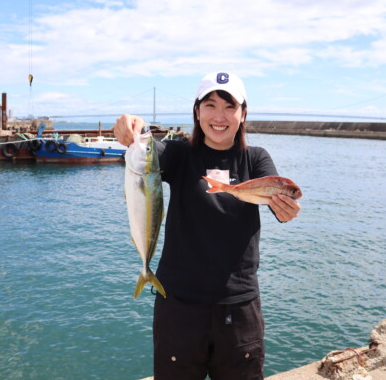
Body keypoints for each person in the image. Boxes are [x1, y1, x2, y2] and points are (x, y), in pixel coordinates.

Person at [114, 71, 301, 380]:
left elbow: (277, 200)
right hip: (178, 306)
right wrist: (135, 128)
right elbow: (148, 152)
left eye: (230, 107)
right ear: (197, 112)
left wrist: (286, 209)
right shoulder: (178, 154)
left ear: (243, 114)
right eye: (210, 105)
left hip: (239, 309)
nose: (220, 116)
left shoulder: (255, 158)